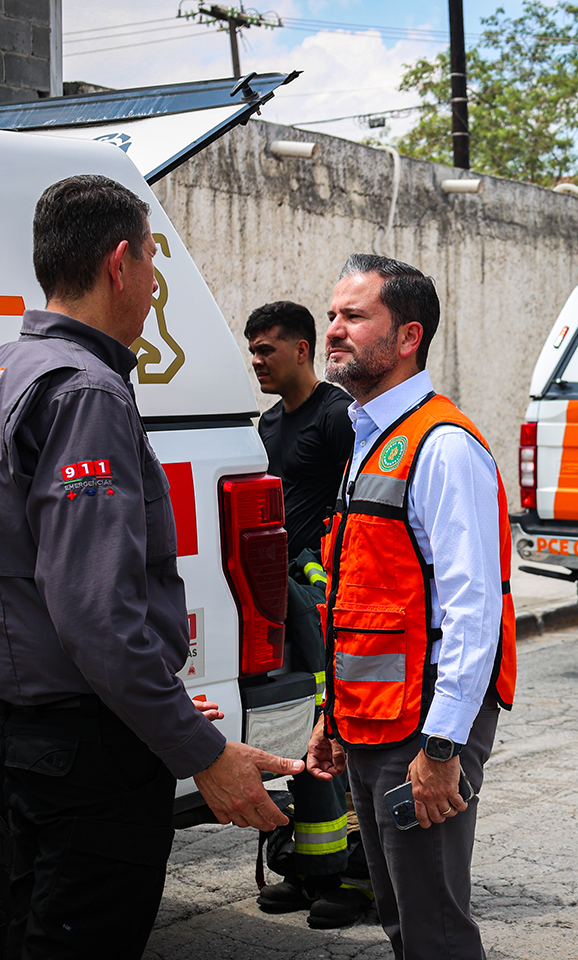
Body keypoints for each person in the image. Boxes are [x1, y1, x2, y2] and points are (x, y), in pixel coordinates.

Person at [0, 174, 303, 960]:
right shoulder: (84, 392)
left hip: (30, 731)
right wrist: (202, 754)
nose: (154, 285)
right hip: (92, 749)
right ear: (122, 263)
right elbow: (96, 613)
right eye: (154, 264)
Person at [306, 254, 517, 959]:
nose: (333, 330)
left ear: (407, 338)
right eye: (333, 314)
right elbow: (356, 598)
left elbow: (472, 608)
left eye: (354, 317)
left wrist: (442, 747)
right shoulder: (369, 442)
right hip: (370, 718)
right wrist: (331, 716)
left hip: (422, 724)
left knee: (432, 926)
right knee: (399, 916)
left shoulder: (442, 446)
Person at [244, 300, 373, 927]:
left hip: (326, 602)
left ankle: (358, 880)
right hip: (280, 605)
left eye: (267, 348)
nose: (256, 360)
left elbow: (363, 507)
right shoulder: (268, 427)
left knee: (340, 733)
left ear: (302, 349)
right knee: (299, 733)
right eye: (252, 350)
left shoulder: (338, 417)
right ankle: (309, 867)